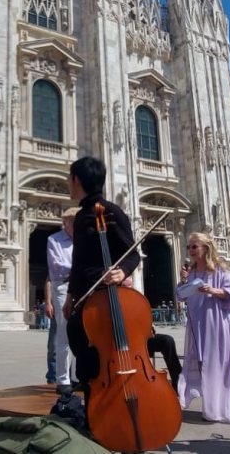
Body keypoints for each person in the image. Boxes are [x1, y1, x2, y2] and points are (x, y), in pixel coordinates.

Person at [62, 157, 140, 402]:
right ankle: (93, 406)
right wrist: (70, 296)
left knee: (96, 355)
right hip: (84, 298)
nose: (68, 184)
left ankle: (106, 407)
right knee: (82, 354)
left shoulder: (110, 211)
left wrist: (122, 271)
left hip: (105, 300)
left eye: (69, 179)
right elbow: (79, 264)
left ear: (76, 180)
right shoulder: (84, 214)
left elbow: (132, 253)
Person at [177, 232, 230, 424]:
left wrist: (211, 290)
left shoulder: (219, 269)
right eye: (189, 247)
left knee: (218, 362)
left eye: (194, 246)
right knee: (202, 362)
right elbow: (181, 296)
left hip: (218, 321)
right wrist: (183, 282)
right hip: (198, 321)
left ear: (206, 248)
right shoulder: (192, 272)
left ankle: (218, 408)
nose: (190, 250)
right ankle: (210, 403)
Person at [47, 207, 79, 394]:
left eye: (78, 220)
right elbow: (59, 267)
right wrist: (82, 267)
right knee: (64, 332)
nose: (75, 224)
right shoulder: (54, 240)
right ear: (65, 222)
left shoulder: (84, 240)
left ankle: (75, 377)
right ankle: (62, 379)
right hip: (63, 287)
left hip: (82, 287)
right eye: (72, 220)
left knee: (80, 333)